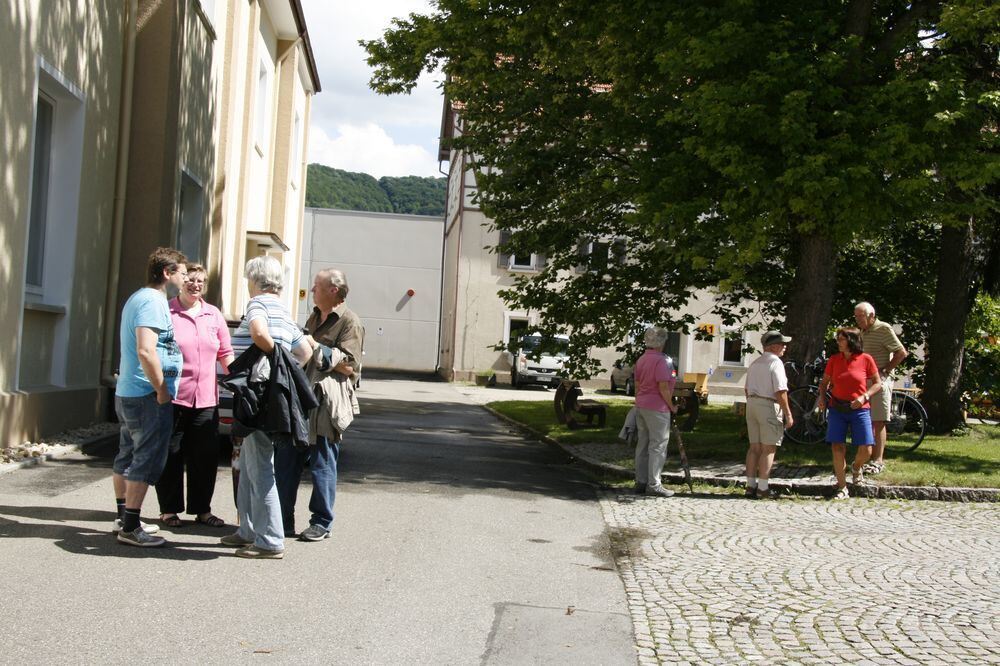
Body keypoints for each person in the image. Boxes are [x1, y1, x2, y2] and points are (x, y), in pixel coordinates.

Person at [220, 256, 313, 559]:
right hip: (270, 397)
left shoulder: (257, 304)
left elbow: (259, 334)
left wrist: (276, 361)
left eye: (249, 279)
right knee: (248, 465)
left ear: (256, 281)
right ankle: (247, 529)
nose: (247, 284)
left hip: (255, 398)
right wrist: (285, 366)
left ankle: (270, 539)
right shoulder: (284, 312)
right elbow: (305, 350)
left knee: (259, 468)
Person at [275, 268, 363, 541]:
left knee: (323, 462)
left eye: (317, 286)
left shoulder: (349, 321)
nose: (312, 290)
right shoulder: (314, 316)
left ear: (333, 290)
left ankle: (321, 522)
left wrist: (316, 347)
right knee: (287, 460)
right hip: (301, 397)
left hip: (327, 402)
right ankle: (282, 519)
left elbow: (351, 365)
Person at [112, 247, 188, 547]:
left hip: (130, 390)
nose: (185, 277)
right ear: (167, 273)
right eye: (182, 272)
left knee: (128, 453)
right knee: (145, 457)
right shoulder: (152, 301)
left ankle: (124, 518)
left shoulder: (139, 297)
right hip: (145, 393)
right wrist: (161, 390)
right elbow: (146, 349)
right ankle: (130, 527)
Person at [154, 264, 234, 528]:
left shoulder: (213, 315)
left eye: (201, 281)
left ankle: (202, 510)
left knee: (205, 456)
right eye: (190, 279)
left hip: (206, 399)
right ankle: (169, 510)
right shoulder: (167, 311)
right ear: (181, 282)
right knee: (171, 453)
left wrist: (236, 379)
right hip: (174, 396)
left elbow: (225, 352)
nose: (195, 285)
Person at [817, 327, 883, 500]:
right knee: (837, 447)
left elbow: (878, 383)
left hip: (859, 409)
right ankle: (842, 486)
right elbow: (824, 383)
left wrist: (864, 397)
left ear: (852, 341)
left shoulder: (866, 359)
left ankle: (856, 467)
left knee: (867, 449)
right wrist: (822, 398)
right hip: (837, 408)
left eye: (841, 339)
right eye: (838, 339)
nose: (838, 342)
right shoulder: (834, 360)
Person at [854, 302, 908, 475]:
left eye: (860, 316)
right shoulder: (862, 332)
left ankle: (878, 460)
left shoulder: (883, 329)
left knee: (878, 420)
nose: (857, 319)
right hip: (865, 380)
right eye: (856, 316)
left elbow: (901, 352)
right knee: (866, 419)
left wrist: (885, 370)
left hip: (880, 380)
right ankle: (865, 457)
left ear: (871, 315)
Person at [744, 330, 794, 499]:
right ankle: (763, 488)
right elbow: (780, 390)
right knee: (768, 448)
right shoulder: (776, 363)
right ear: (773, 346)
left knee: (754, 448)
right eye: (782, 344)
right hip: (767, 404)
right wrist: (788, 413)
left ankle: (750, 486)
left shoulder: (755, 363)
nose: (784, 347)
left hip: (751, 403)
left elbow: (746, 388)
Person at [632, 327, 678, 498]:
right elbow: (663, 387)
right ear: (662, 342)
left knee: (642, 444)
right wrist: (672, 406)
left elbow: (637, 385)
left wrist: (639, 401)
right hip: (657, 407)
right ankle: (654, 483)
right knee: (658, 445)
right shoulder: (663, 361)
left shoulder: (642, 359)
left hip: (642, 405)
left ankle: (641, 481)